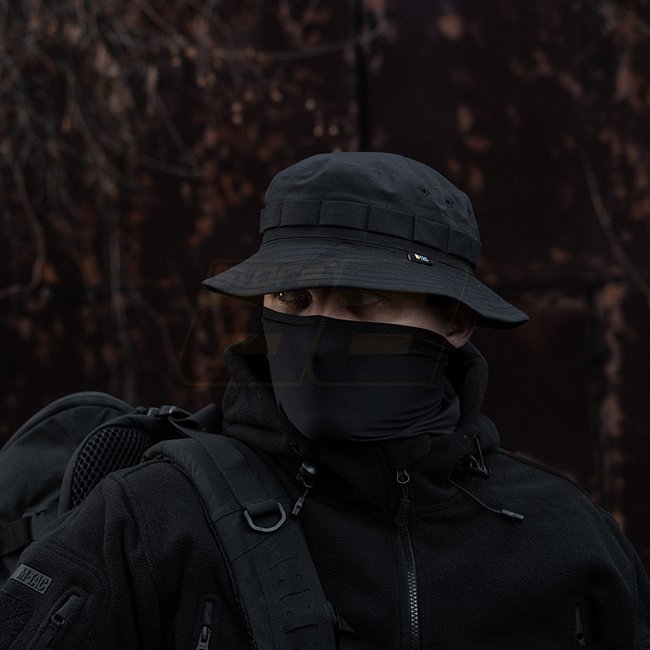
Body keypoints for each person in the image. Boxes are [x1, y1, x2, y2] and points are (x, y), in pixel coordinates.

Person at [1, 151, 648, 648]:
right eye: (293, 298)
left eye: (362, 301)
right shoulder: (156, 519)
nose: (317, 333)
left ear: (455, 319)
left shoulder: (566, 540)